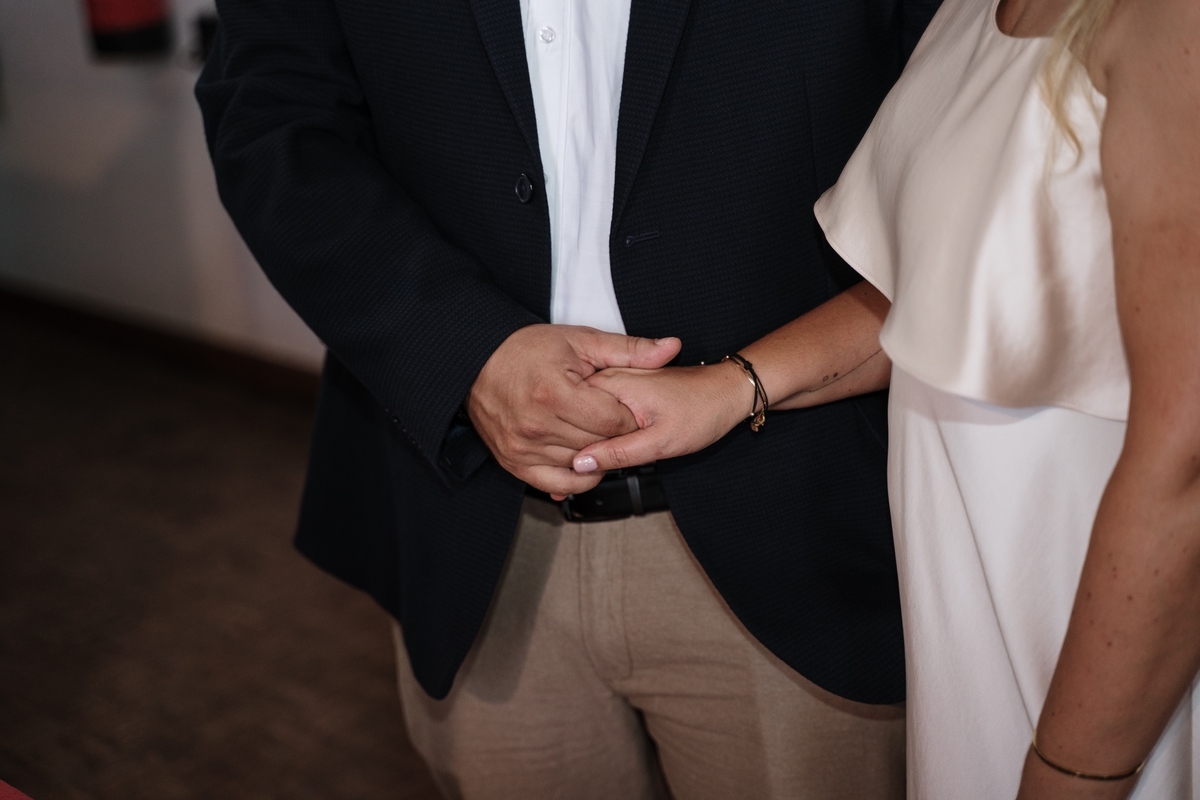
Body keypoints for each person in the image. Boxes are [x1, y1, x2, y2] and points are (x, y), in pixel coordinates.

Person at [195, 0, 941, 796]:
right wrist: (465, 351)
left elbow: (963, 167)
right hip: (474, 527)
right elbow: (273, 115)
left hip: (803, 520)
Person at [573, 0, 1200, 796]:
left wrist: (1071, 774)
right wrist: (732, 388)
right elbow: (950, 293)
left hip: (1097, 622)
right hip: (964, 612)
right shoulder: (972, 7)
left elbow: (1186, 459)